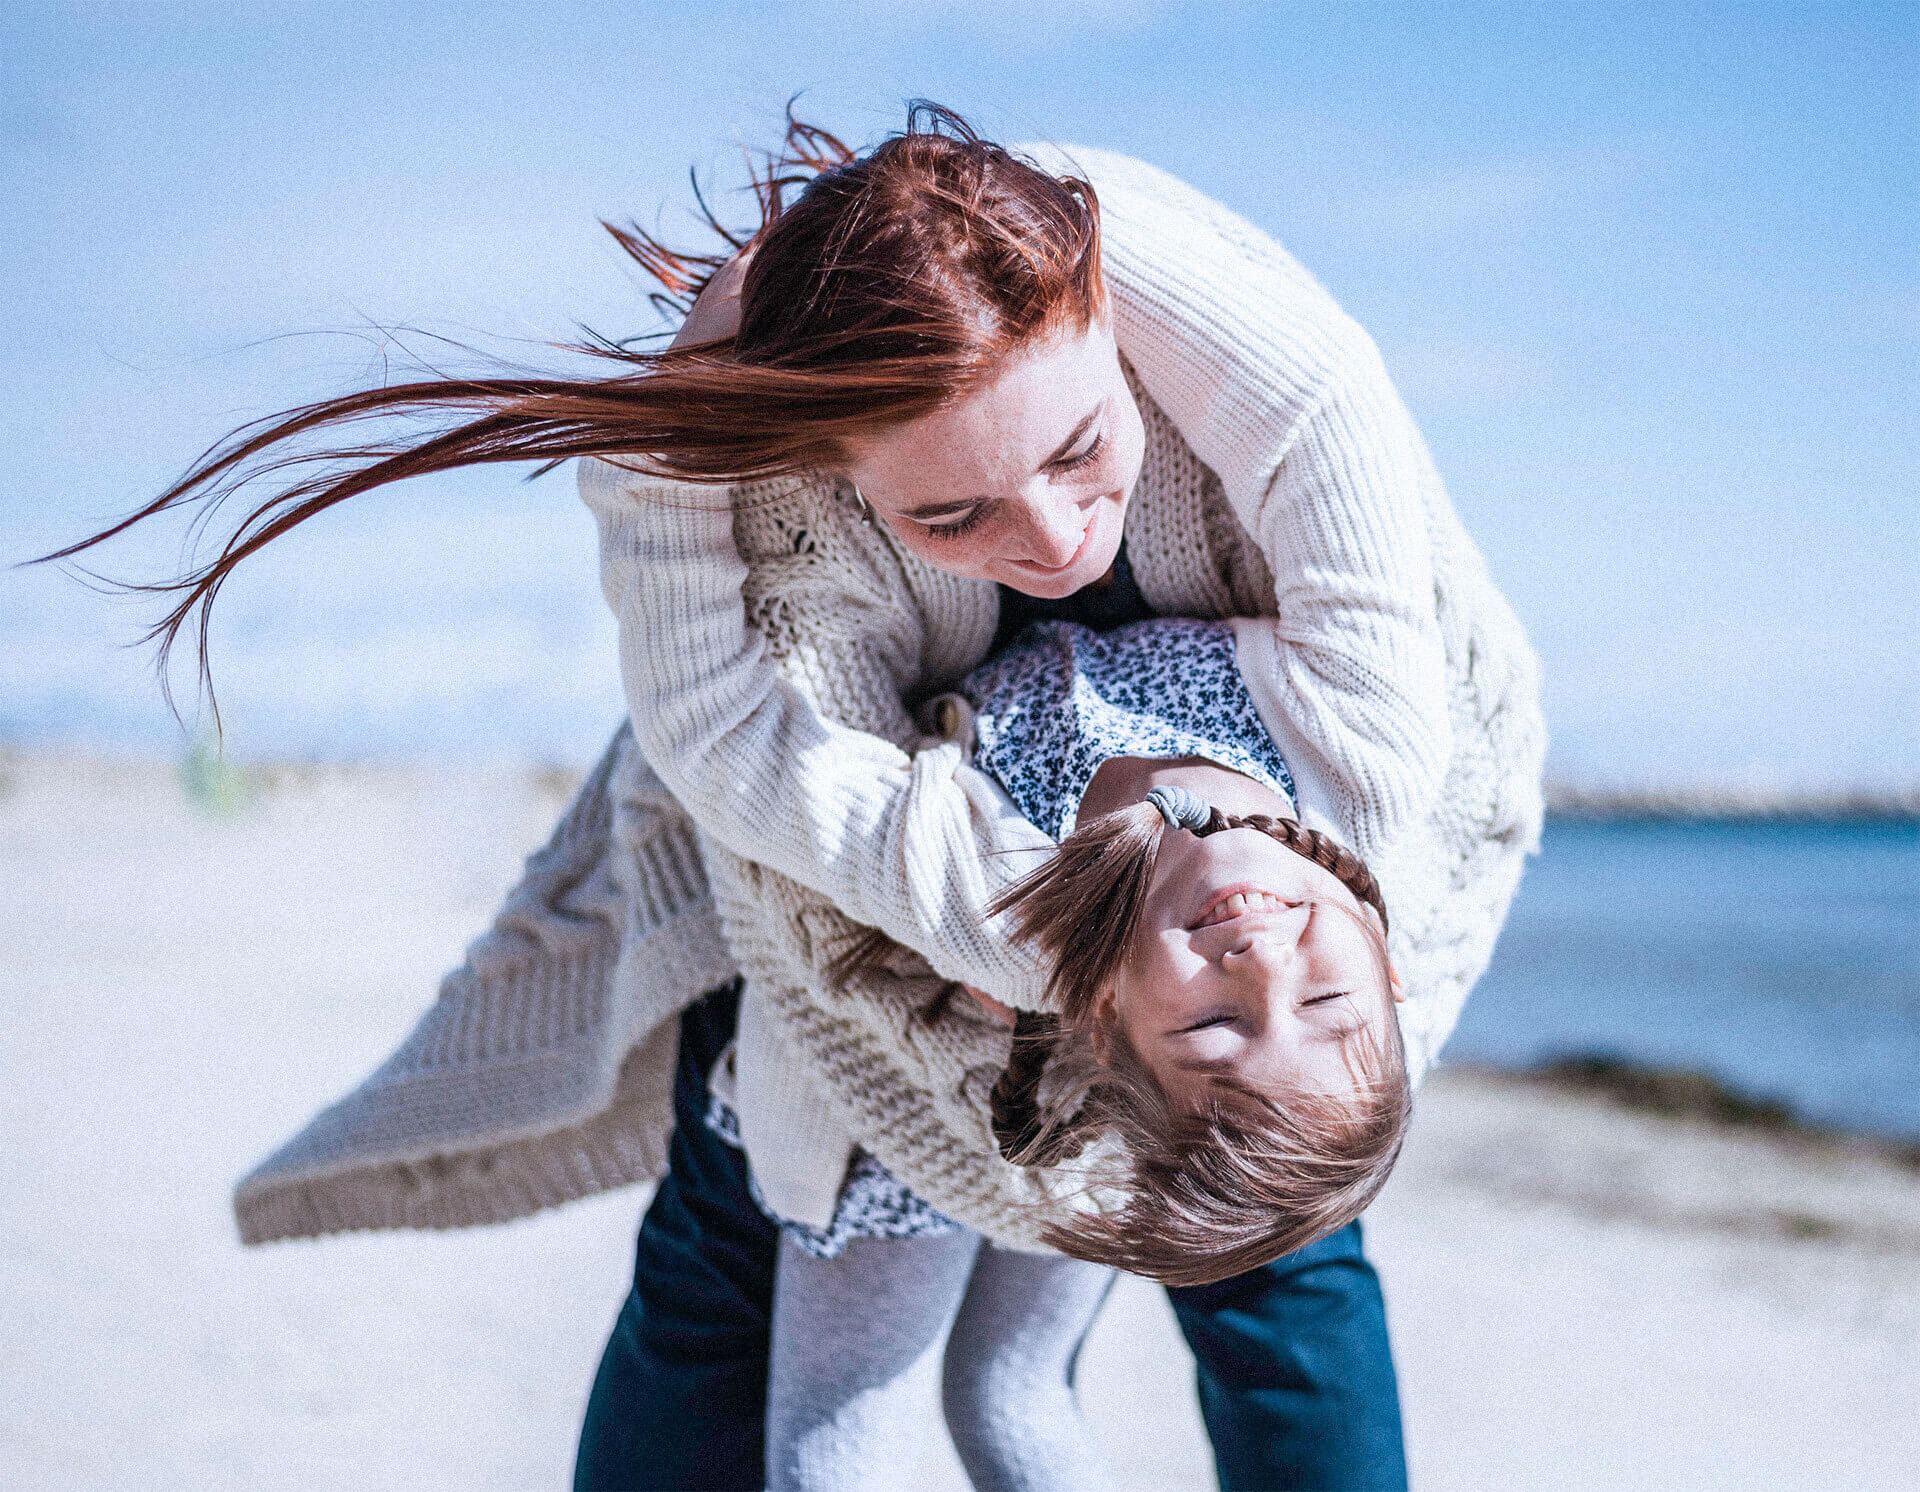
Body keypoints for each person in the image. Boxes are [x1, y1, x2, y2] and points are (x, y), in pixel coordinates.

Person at [50, 104, 1546, 1490]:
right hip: (859, 878)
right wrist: (972, 258)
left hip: (1026, 922)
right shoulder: (855, 588)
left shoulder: (1241, 838)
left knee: (1270, 1220)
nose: (1054, 541)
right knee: (739, 1222)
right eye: (954, 511)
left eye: (1087, 451)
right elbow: (724, 726)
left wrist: (1012, 250)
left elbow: (1313, 403)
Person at [750, 606, 1416, 1492]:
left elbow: (799, 795)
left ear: (1102, 1024)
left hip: (913, 1138)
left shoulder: (1000, 905)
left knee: (858, 1413)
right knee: (1007, 1390)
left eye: (1219, 1026)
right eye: (1326, 998)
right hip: (1068, 1130)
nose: (1261, 968)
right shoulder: (1330, 797)